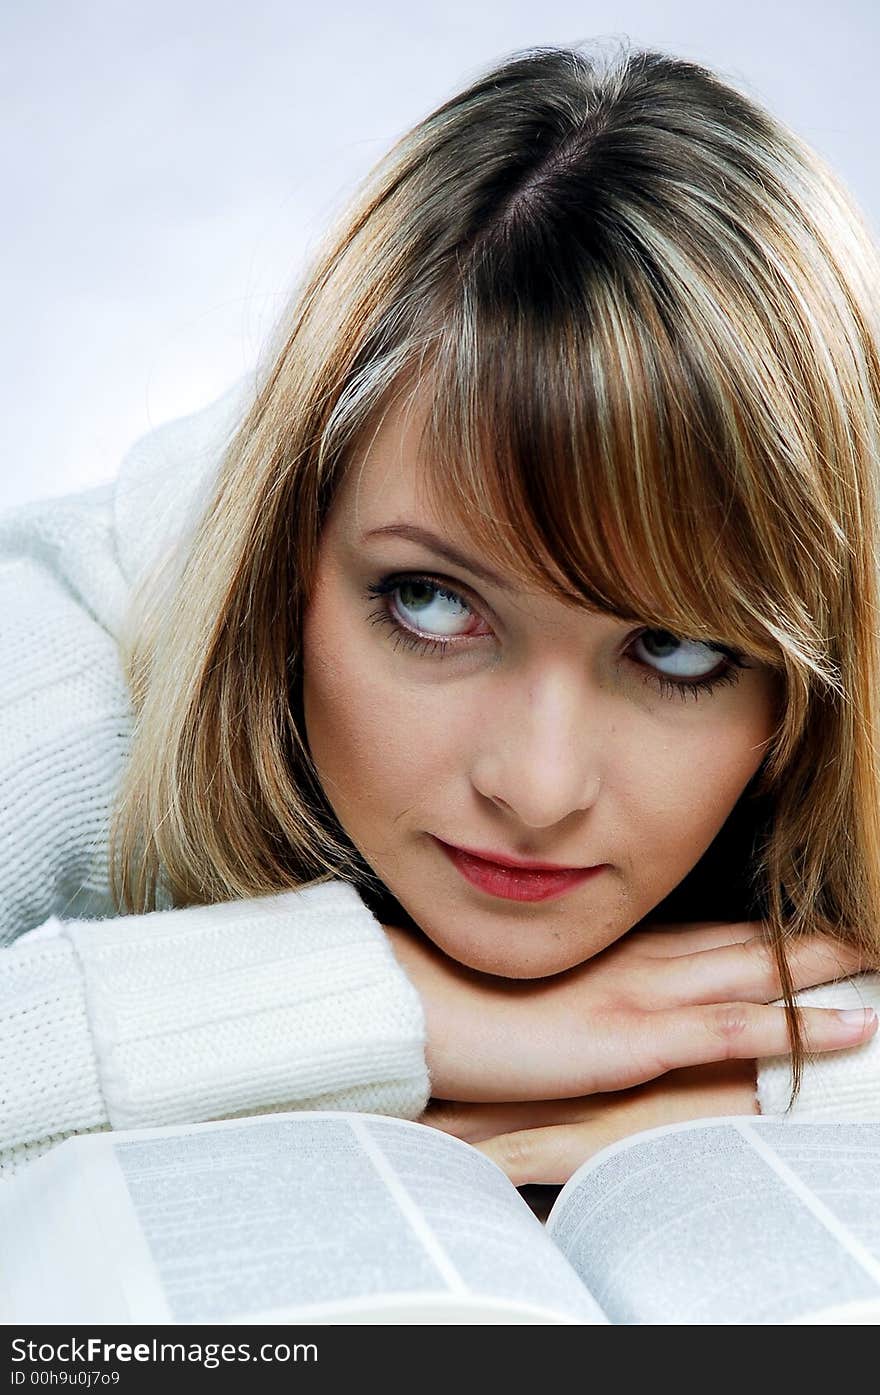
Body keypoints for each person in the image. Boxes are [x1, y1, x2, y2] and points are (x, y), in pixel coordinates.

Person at [3, 41, 879, 1189]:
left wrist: (753, 1087)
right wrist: (379, 1008)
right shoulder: (71, 654)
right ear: (290, 549)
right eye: (430, 603)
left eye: (676, 648)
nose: (537, 786)